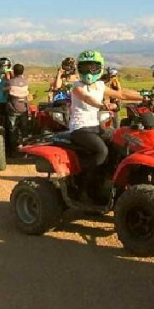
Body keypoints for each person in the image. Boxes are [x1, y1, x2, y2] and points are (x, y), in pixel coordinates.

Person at [66, 51, 112, 199]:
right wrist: (101, 105)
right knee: (102, 151)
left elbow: (122, 94)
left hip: (96, 127)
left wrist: (145, 96)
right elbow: (86, 98)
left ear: (100, 68)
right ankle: (82, 180)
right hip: (80, 128)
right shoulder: (76, 86)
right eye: (85, 67)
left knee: (121, 138)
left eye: (93, 67)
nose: (89, 72)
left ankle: (106, 179)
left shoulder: (100, 85)